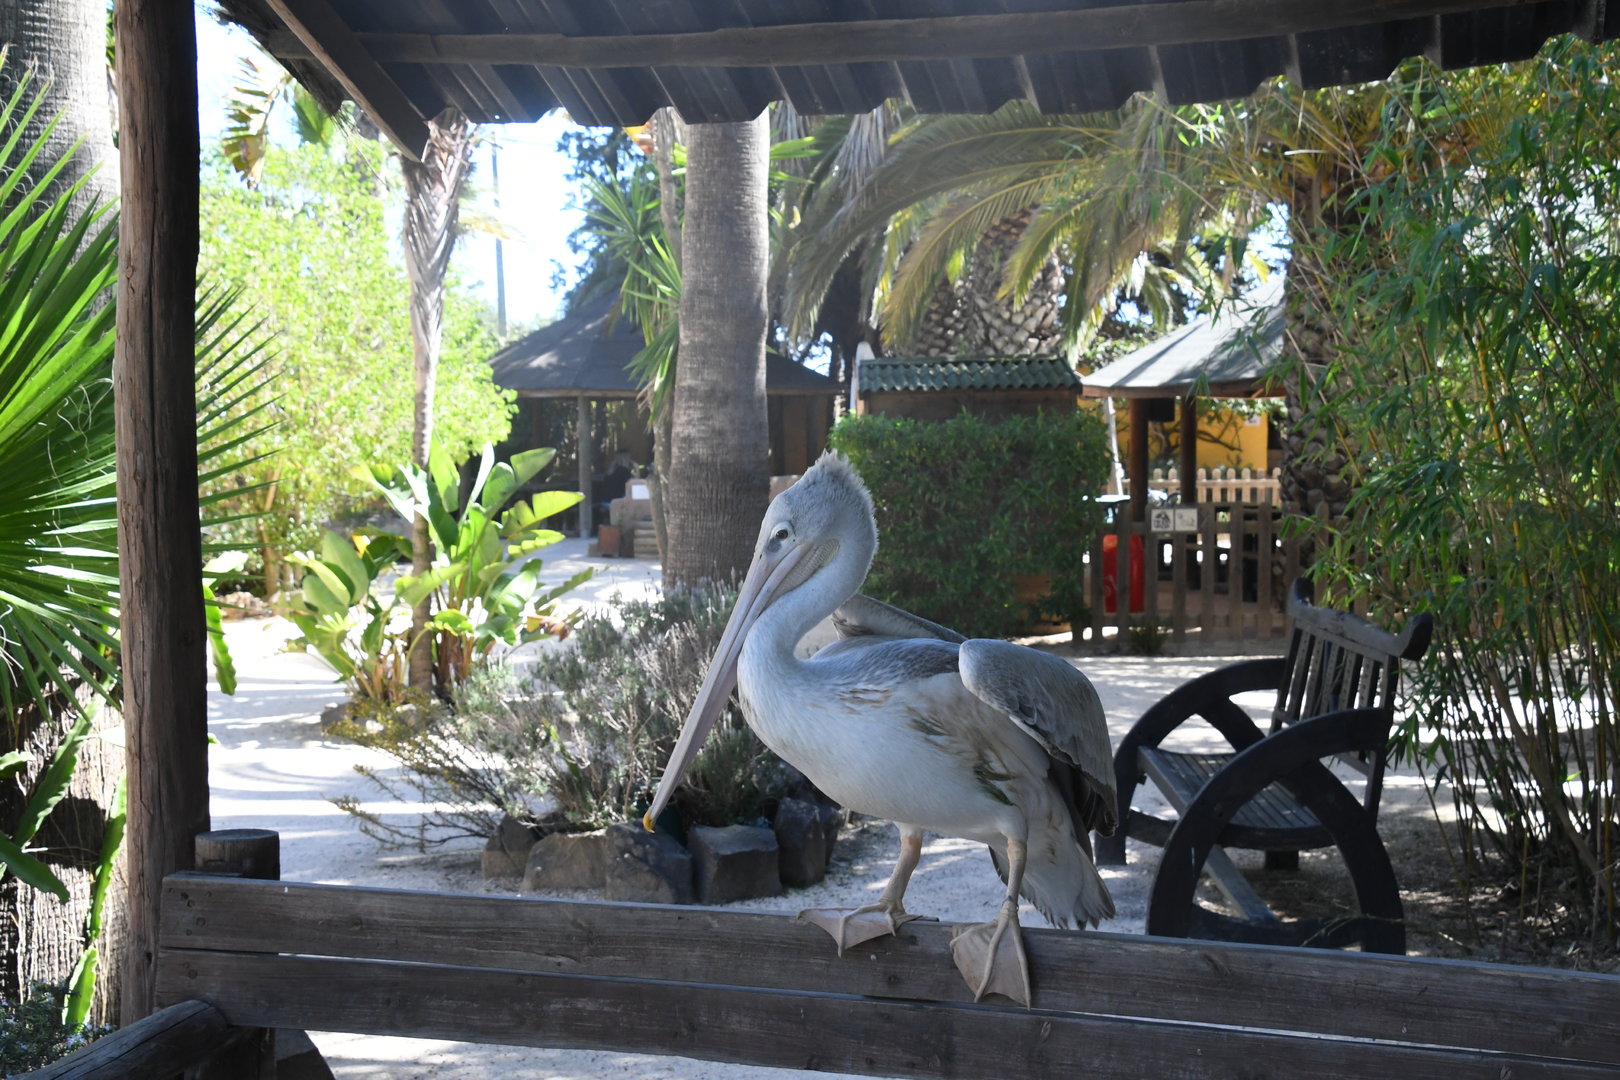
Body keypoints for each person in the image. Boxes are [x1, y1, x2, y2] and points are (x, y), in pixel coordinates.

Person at [592, 451, 635, 529]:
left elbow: (609, 476)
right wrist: (636, 468)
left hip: (604, 502)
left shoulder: (611, 473)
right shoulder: (623, 471)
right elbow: (634, 483)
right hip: (612, 502)